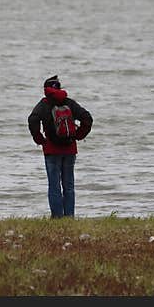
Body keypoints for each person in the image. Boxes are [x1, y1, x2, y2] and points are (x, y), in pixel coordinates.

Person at [28, 75, 93, 218]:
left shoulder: (43, 104)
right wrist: (78, 135)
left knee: (54, 185)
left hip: (51, 150)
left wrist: (40, 140)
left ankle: (57, 217)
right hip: (70, 149)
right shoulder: (69, 102)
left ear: (46, 89)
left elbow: (32, 119)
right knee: (69, 186)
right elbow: (87, 118)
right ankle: (69, 217)